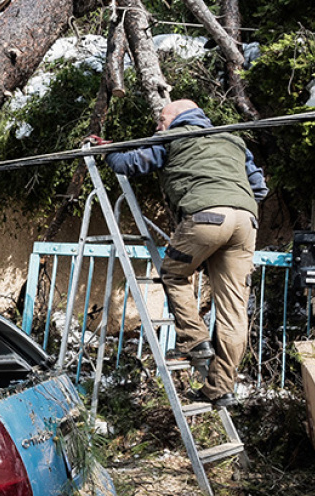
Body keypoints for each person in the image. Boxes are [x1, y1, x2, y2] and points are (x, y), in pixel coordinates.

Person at [104, 99, 268, 407]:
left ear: (175, 118)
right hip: (245, 222)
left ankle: (195, 341)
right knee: (234, 310)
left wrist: (109, 151)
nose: (157, 126)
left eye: (161, 121)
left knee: (173, 275)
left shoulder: (172, 137)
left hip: (205, 218)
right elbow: (259, 188)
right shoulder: (233, 139)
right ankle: (220, 388)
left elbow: (130, 164)